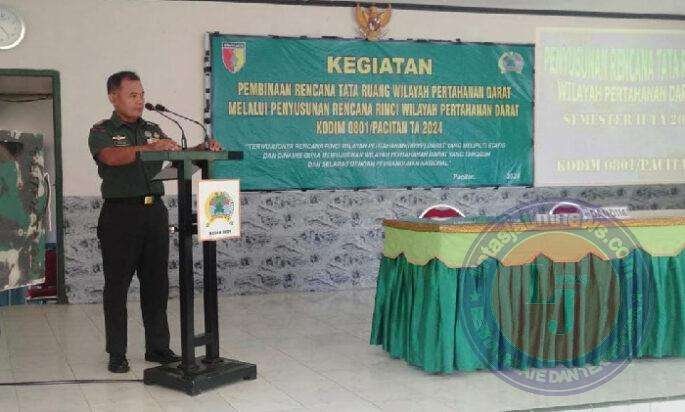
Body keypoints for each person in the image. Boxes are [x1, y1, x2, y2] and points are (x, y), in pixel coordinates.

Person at [88, 71, 221, 373]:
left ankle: (158, 348)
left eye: (142, 95)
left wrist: (201, 148)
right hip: (120, 215)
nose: (139, 100)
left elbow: (177, 156)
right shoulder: (102, 130)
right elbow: (110, 157)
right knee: (117, 287)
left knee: (157, 284)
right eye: (132, 95)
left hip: (154, 213)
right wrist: (146, 149)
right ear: (113, 97)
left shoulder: (153, 129)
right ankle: (117, 353)